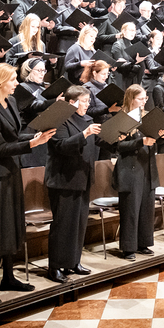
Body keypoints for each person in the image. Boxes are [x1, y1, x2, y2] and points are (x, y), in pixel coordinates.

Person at [0, 64, 56, 306]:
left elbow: (14, 135)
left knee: (11, 224)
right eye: (12, 79)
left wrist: (35, 137)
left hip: (12, 170)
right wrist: (32, 144)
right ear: (0, 82)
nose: (16, 84)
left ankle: (8, 278)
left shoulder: (10, 102)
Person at [45, 85, 100, 281]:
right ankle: (55, 266)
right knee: (63, 225)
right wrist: (84, 134)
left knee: (79, 224)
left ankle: (73, 262)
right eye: (84, 101)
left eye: (88, 101)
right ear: (71, 102)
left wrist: (115, 136)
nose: (87, 105)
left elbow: (96, 143)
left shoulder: (87, 120)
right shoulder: (59, 120)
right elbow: (61, 146)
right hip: (64, 179)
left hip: (83, 177)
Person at [113, 85, 161, 259]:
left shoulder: (146, 116)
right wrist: (141, 142)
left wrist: (160, 135)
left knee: (146, 207)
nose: (143, 102)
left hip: (147, 166)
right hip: (130, 168)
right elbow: (118, 146)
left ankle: (143, 243)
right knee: (131, 209)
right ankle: (128, 247)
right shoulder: (122, 118)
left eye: (145, 98)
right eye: (140, 99)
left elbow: (152, 140)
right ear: (131, 99)